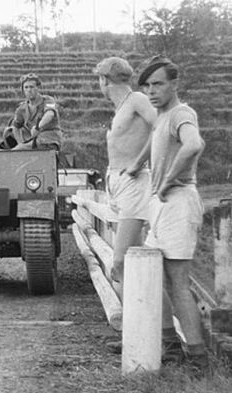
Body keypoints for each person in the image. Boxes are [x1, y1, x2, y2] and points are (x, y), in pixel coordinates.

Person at [95, 57, 183, 362]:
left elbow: (162, 126)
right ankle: (138, 333)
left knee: (121, 263)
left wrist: (139, 163)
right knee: (131, 267)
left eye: (100, 80)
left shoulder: (136, 100)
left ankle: (168, 342)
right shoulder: (122, 108)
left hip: (134, 185)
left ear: (105, 80)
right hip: (119, 184)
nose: (100, 85)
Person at [127, 56, 208, 374]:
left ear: (174, 84)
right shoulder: (162, 116)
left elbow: (193, 144)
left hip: (178, 200)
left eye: (158, 83)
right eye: (146, 85)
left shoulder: (182, 113)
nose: (151, 91)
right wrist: (136, 164)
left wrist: (171, 178)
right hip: (160, 204)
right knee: (152, 278)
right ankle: (170, 348)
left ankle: (199, 361)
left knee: (177, 282)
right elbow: (154, 140)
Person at [2, 73, 62, 151]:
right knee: (17, 150)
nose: (29, 90)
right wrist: (20, 142)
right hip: (33, 142)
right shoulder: (22, 108)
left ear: (38, 88)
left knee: (17, 151)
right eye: (26, 87)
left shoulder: (47, 100)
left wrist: (38, 127)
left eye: (31, 87)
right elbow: (16, 126)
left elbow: (49, 114)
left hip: (49, 140)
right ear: (23, 90)